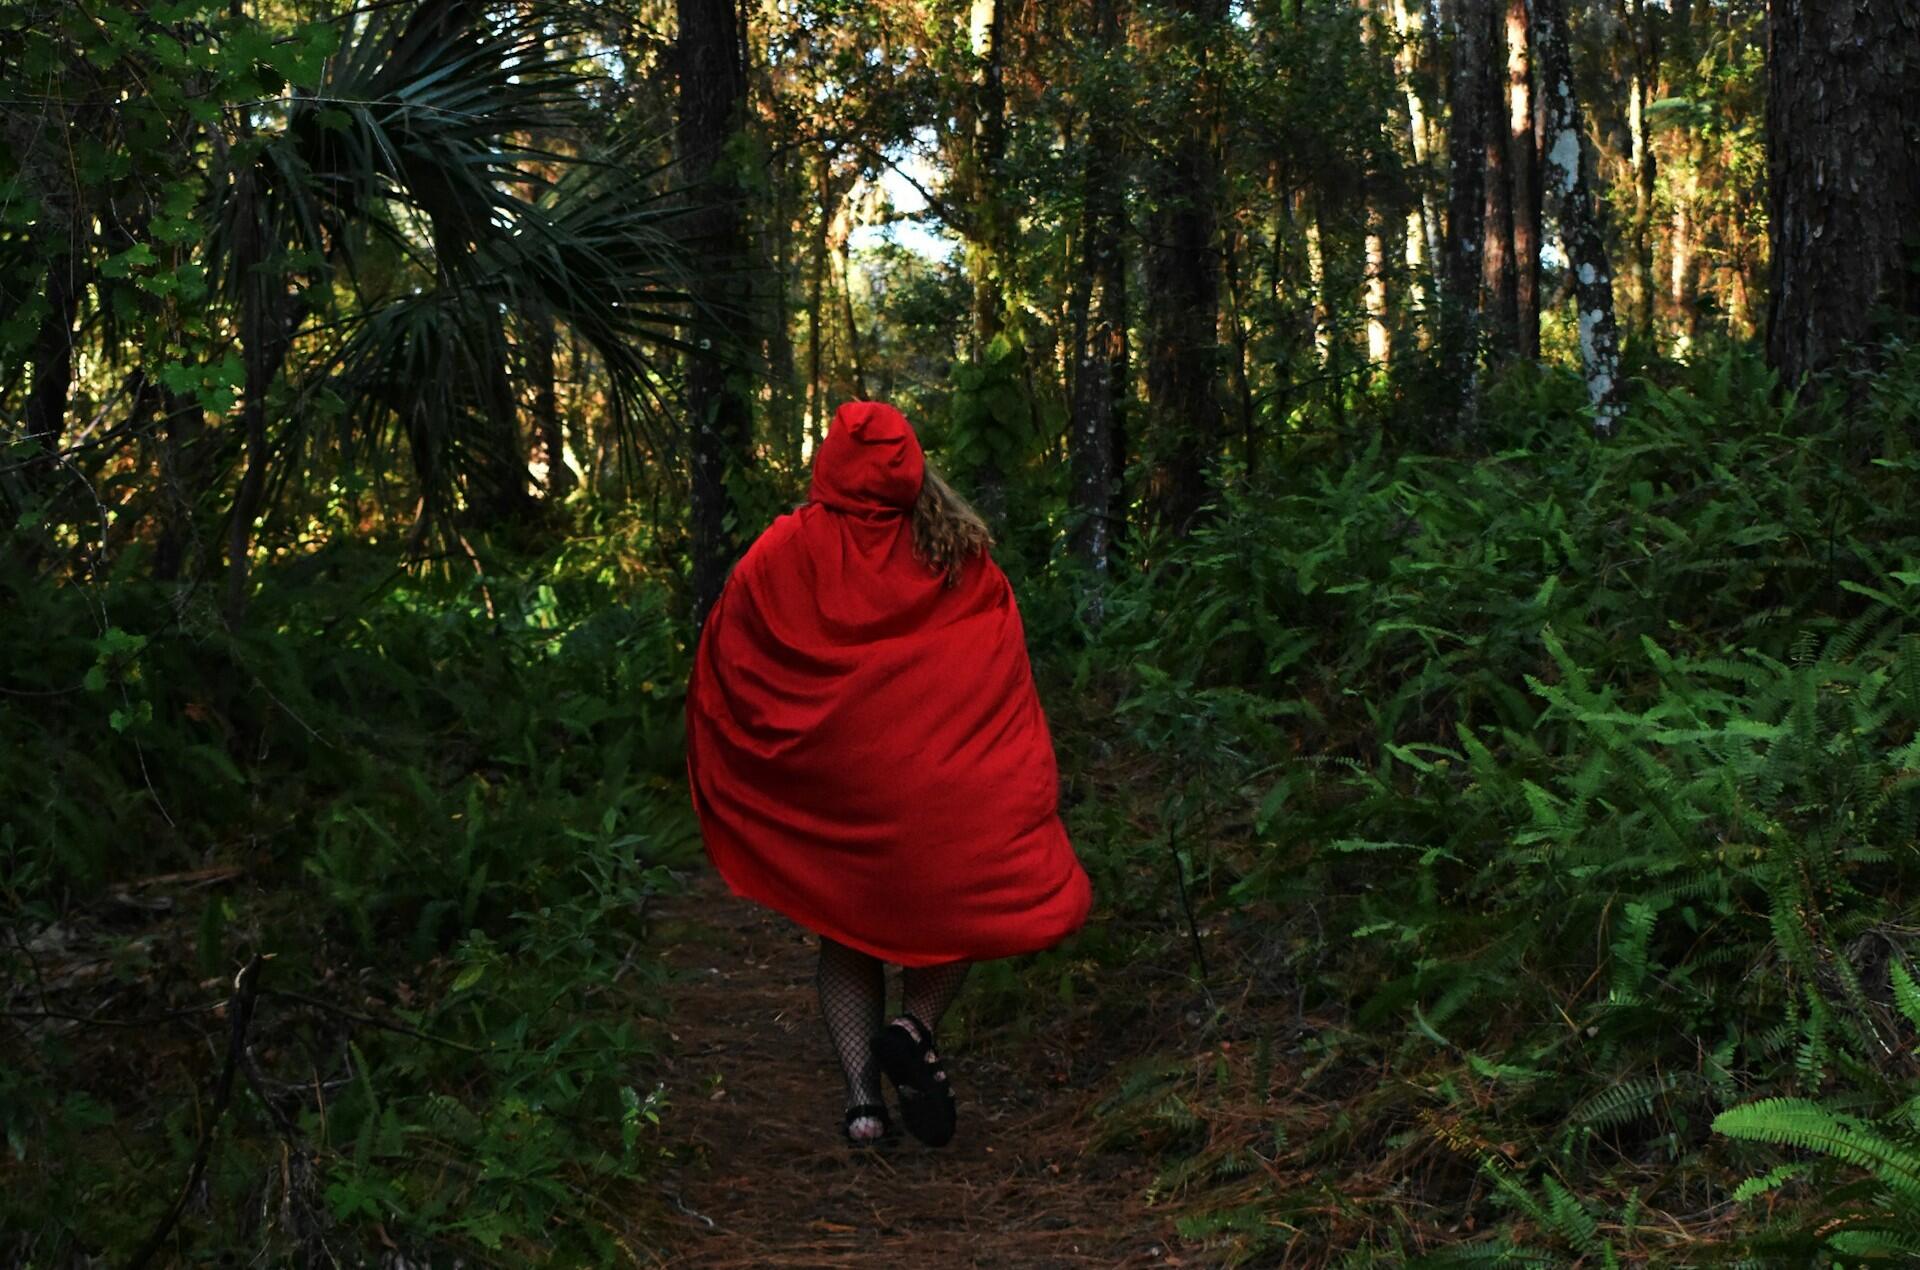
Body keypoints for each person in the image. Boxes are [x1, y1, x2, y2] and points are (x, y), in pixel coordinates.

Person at [683, 400, 1094, 1148]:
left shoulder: (784, 550)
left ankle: (862, 1105)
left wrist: (759, 757)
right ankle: (915, 1025)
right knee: (967, 912)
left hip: (842, 798)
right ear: (911, 466)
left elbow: (729, 646)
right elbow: (1001, 675)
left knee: (848, 933)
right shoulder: (959, 550)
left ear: (829, 466)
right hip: (943, 798)